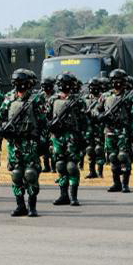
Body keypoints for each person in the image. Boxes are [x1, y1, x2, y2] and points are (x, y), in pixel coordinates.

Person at [0, 68, 47, 217]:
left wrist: (43, 141)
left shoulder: (36, 99)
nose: (20, 85)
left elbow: (43, 122)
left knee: (30, 174)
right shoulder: (9, 98)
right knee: (16, 174)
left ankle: (32, 206)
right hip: (14, 143)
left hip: (31, 143)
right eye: (17, 82)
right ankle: (20, 205)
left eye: (23, 82)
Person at [47, 72, 85, 206]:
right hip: (57, 137)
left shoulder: (78, 100)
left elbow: (83, 120)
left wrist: (82, 138)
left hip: (72, 137)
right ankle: (63, 195)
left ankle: (73, 196)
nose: (65, 86)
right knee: (60, 165)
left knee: (72, 167)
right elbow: (46, 117)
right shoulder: (52, 100)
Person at [98, 69, 133, 193]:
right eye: (115, 81)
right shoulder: (106, 96)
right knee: (112, 157)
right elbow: (96, 110)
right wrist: (100, 115)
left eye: (119, 81)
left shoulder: (129, 96)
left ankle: (125, 184)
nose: (117, 84)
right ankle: (116, 182)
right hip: (109, 130)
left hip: (123, 130)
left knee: (123, 156)